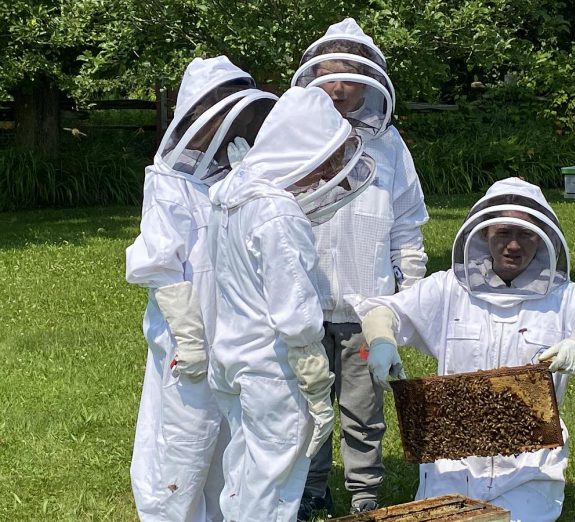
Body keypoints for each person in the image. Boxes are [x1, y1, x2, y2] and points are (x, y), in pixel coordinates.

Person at [353, 177, 575, 522]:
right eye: (503, 233)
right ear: (484, 234)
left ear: (544, 239)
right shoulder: (450, 288)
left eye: (526, 235)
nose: (514, 246)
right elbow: (382, 312)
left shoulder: (565, 298)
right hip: (452, 459)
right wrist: (383, 341)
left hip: (530, 463)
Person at [206, 86, 377, 522]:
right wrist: (318, 385)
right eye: (323, 161)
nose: (323, 177)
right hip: (272, 369)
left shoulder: (230, 193)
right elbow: (295, 310)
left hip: (230, 355)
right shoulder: (277, 212)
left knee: (242, 472)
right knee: (275, 484)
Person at [125, 56, 278, 522]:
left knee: (231, 433)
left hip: (237, 326)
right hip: (187, 331)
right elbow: (159, 263)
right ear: (195, 111)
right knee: (184, 435)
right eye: (215, 101)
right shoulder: (169, 179)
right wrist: (190, 338)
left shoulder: (242, 172)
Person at [291, 18, 429, 516]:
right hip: (302, 303)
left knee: (363, 408)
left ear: (370, 82)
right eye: (328, 74)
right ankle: (309, 489)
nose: (338, 86)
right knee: (305, 407)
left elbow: (407, 225)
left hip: (367, 305)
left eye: (349, 74)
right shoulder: (295, 142)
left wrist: (407, 295)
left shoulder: (389, 147)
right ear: (311, 79)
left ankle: (364, 496)